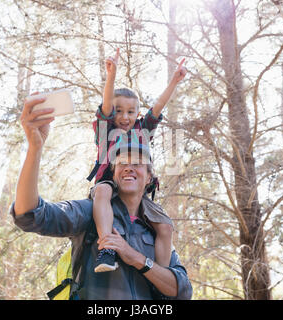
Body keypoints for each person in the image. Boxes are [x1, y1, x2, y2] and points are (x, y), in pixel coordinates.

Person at [11, 96, 192, 299]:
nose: (129, 167)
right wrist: (35, 149)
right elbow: (31, 215)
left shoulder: (156, 229)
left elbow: (181, 290)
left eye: (138, 162)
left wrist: (136, 258)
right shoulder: (91, 212)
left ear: (150, 176)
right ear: (114, 173)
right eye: (122, 162)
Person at [89, 47, 187, 273]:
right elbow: (105, 108)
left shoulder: (143, 129)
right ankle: (107, 248)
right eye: (119, 111)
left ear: (137, 114)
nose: (125, 117)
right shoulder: (106, 129)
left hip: (137, 189)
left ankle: (160, 277)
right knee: (102, 193)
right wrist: (111, 75)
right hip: (110, 182)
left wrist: (174, 81)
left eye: (131, 112)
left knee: (164, 226)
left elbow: (157, 108)